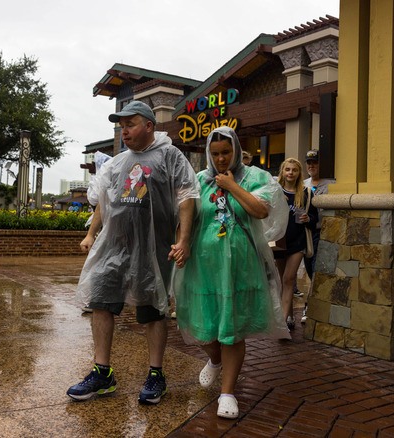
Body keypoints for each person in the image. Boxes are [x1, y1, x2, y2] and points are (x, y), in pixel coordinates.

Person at [67, 101, 199, 405]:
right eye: (121, 125)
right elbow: (104, 197)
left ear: (150, 126)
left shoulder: (169, 155)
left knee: (152, 308)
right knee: (101, 301)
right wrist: (91, 234)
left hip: (152, 248)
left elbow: (187, 196)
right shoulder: (116, 162)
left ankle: (156, 375)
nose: (124, 130)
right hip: (114, 247)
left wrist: (184, 239)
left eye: (131, 123)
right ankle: (102, 372)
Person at [172, 126, 289, 418]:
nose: (221, 159)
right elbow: (186, 216)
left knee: (232, 331)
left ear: (236, 149)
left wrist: (232, 185)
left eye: (226, 152)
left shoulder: (255, 177)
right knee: (204, 328)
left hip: (240, 268)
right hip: (204, 268)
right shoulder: (199, 180)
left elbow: (261, 211)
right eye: (215, 154)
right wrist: (182, 245)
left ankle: (228, 393)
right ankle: (214, 361)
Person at [273, 158, 317, 331]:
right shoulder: (275, 191)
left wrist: (308, 219)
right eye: (287, 170)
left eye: (294, 170)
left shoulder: (306, 193)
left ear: (299, 173)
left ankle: (282, 322)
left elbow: (314, 219)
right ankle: (290, 315)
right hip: (279, 240)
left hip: (298, 241)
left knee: (289, 278)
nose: (290, 173)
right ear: (282, 172)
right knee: (283, 281)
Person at [301, 149, 336, 323]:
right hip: (306, 233)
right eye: (308, 162)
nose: (311, 165)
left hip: (324, 232)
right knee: (309, 268)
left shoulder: (332, 184)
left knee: (316, 269)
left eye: (314, 162)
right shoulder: (303, 183)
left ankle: (310, 305)